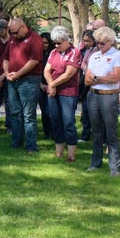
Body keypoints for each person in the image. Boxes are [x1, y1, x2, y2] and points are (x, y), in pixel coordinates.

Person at [84, 26, 120, 177]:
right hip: (93, 95)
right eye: (98, 43)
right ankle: (95, 162)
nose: (99, 46)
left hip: (109, 96)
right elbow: (87, 79)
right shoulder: (94, 56)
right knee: (96, 131)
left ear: (110, 41)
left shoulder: (118, 55)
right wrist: (100, 78)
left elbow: (115, 77)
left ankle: (115, 167)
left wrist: (97, 78)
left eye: (102, 43)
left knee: (111, 132)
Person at [4, 18, 44, 153]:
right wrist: (7, 73)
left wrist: (18, 74)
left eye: (15, 32)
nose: (14, 35)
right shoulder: (12, 39)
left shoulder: (35, 39)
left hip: (29, 80)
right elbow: (6, 59)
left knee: (28, 115)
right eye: (11, 33)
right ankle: (16, 143)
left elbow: (34, 61)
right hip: (12, 80)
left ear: (23, 26)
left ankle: (31, 146)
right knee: (15, 113)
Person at [44, 26, 82, 162]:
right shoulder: (53, 52)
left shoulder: (75, 52)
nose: (56, 45)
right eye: (54, 42)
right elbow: (46, 70)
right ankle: (58, 152)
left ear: (67, 40)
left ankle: (71, 154)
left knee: (68, 122)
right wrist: (51, 85)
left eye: (59, 43)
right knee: (55, 121)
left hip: (68, 92)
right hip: (53, 92)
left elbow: (68, 74)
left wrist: (52, 85)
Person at [78, 30, 97, 142]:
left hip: (94, 82)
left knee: (95, 113)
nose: (86, 43)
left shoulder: (97, 51)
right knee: (85, 110)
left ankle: (99, 137)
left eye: (88, 41)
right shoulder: (83, 50)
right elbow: (82, 64)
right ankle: (85, 135)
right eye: (84, 40)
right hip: (84, 83)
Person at [38, 32, 53, 139]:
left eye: (46, 43)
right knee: (44, 112)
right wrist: (40, 84)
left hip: (51, 85)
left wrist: (49, 85)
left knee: (50, 111)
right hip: (40, 85)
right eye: (42, 43)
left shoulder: (53, 54)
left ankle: (53, 132)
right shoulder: (38, 54)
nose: (44, 45)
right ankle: (47, 132)